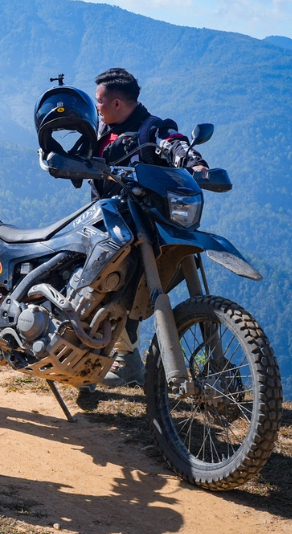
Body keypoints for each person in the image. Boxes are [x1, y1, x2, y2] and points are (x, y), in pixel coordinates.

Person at [92, 67, 208, 387]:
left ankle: (127, 361)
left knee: (128, 292)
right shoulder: (101, 130)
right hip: (104, 225)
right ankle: (102, 356)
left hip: (147, 230)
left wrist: (195, 164)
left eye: (99, 101)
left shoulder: (150, 128)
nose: (96, 105)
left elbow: (173, 142)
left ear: (117, 103)